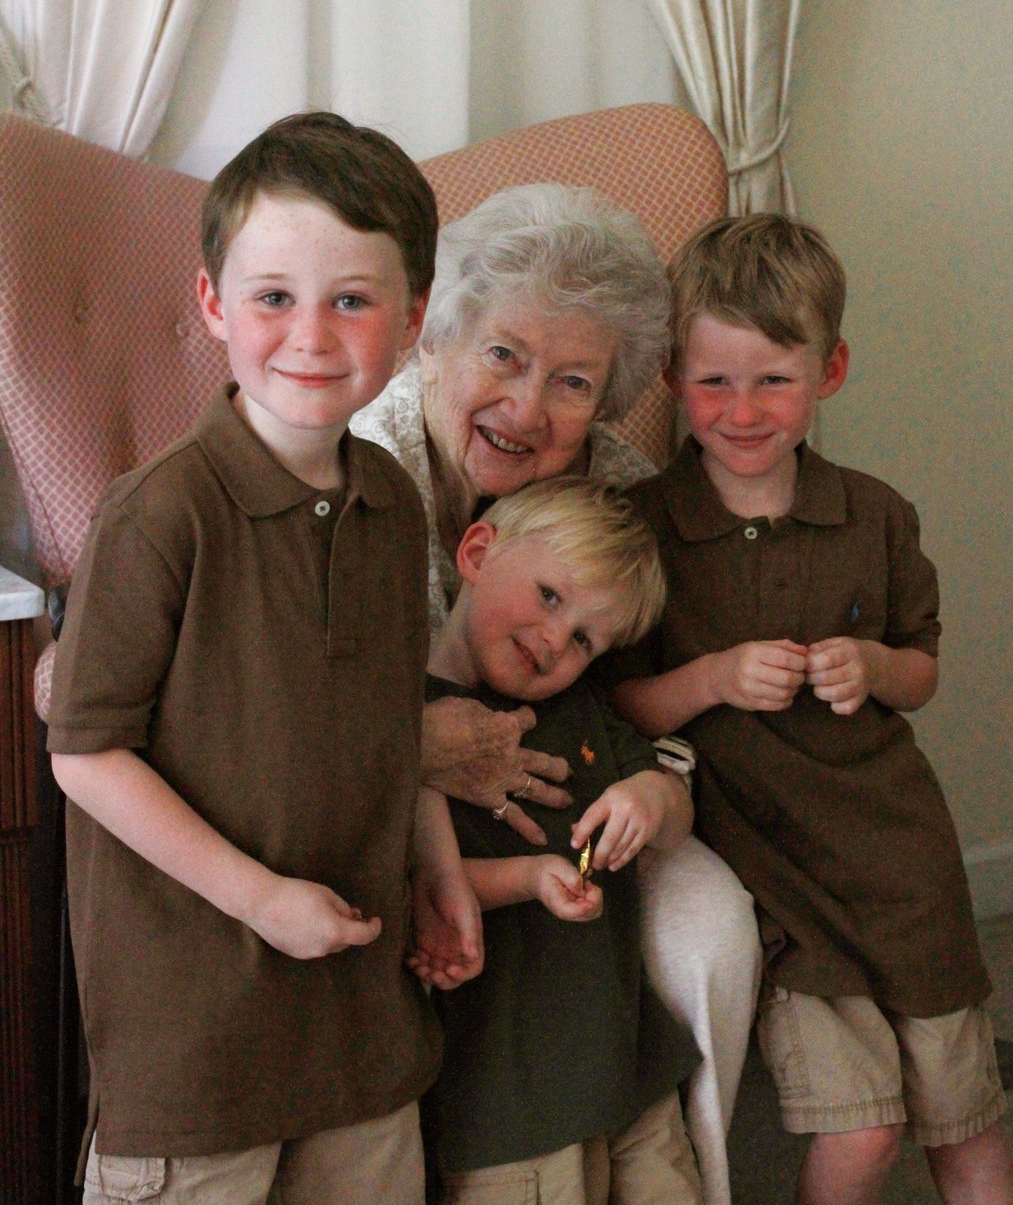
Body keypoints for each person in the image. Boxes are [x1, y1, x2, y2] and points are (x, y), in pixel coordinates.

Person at [47, 113, 483, 1205]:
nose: (311, 336)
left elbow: (394, 728)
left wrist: (437, 872)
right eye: (274, 297)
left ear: (413, 317)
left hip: (360, 1020)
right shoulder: (160, 514)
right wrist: (257, 898)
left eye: (353, 300)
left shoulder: (392, 503)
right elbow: (86, 753)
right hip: (195, 1034)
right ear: (212, 303)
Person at [353, 182, 761, 1204]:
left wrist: (660, 782)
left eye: (572, 381)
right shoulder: (351, 472)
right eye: (503, 354)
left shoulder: (616, 490)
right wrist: (410, 743)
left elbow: (637, 697)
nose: (529, 408)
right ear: (435, 339)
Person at [606, 214, 1013, 1205]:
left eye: (773, 380)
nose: (742, 410)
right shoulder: (642, 528)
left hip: (902, 865)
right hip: (778, 886)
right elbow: (618, 702)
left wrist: (870, 666)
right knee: (864, 1131)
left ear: (828, 371)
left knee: (965, 1119)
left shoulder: (875, 514)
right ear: (671, 376)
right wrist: (711, 678)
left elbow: (919, 671)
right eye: (713, 380)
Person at [419, 476, 702, 1203]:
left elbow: (676, 813)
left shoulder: (581, 712)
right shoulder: (409, 727)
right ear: (476, 552)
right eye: (548, 596)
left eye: (583, 640)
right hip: (504, 1093)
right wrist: (528, 878)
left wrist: (651, 796)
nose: (553, 642)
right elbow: (410, 884)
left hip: (626, 1057)